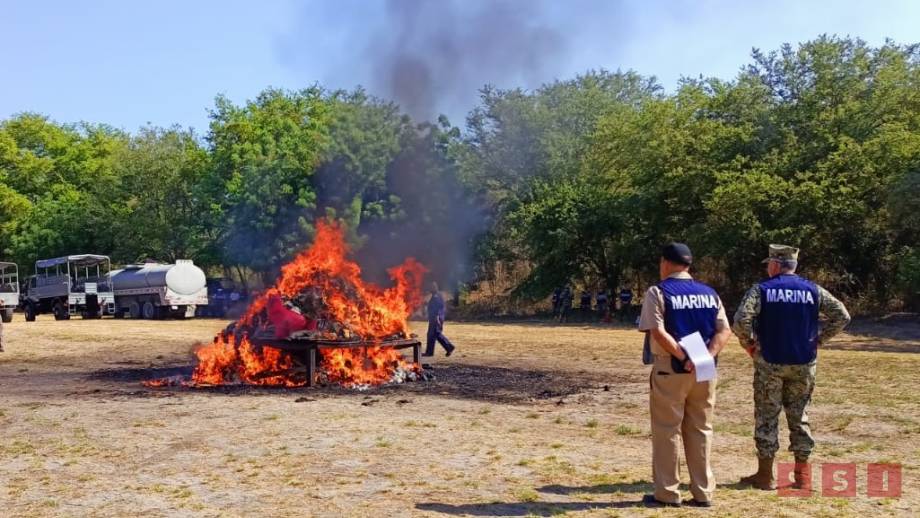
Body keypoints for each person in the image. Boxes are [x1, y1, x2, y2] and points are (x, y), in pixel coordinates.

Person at [733, 244, 851, 490]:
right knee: (800, 417)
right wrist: (819, 340)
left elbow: (741, 320)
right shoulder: (813, 290)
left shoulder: (762, 290)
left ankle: (765, 476)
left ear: (776, 264)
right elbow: (842, 315)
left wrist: (750, 345)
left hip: (770, 363)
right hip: (804, 362)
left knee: (767, 416)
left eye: (769, 264)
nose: (767, 269)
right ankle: (802, 477)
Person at [638, 243, 732, 507]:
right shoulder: (710, 293)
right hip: (705, 368)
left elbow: (657, 331)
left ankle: (667, 493)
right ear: (688, 265)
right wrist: (706, 355)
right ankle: (703, 493)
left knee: (667, 429)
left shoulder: (658, 291)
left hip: (672, 368)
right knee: (701, 429)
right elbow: (724, 331)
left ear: (665, 263)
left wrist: (683, 357)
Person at [423, 282, 455, 357]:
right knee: (431, 335)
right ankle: (430, 352)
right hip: (434, 318)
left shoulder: (437, 296)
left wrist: (437, 318)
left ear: (434, 288)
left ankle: (449, 347)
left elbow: (439, 308)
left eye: (431, 287)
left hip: (436, 318)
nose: (429, 289)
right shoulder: (435, 295)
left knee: (436, 334)